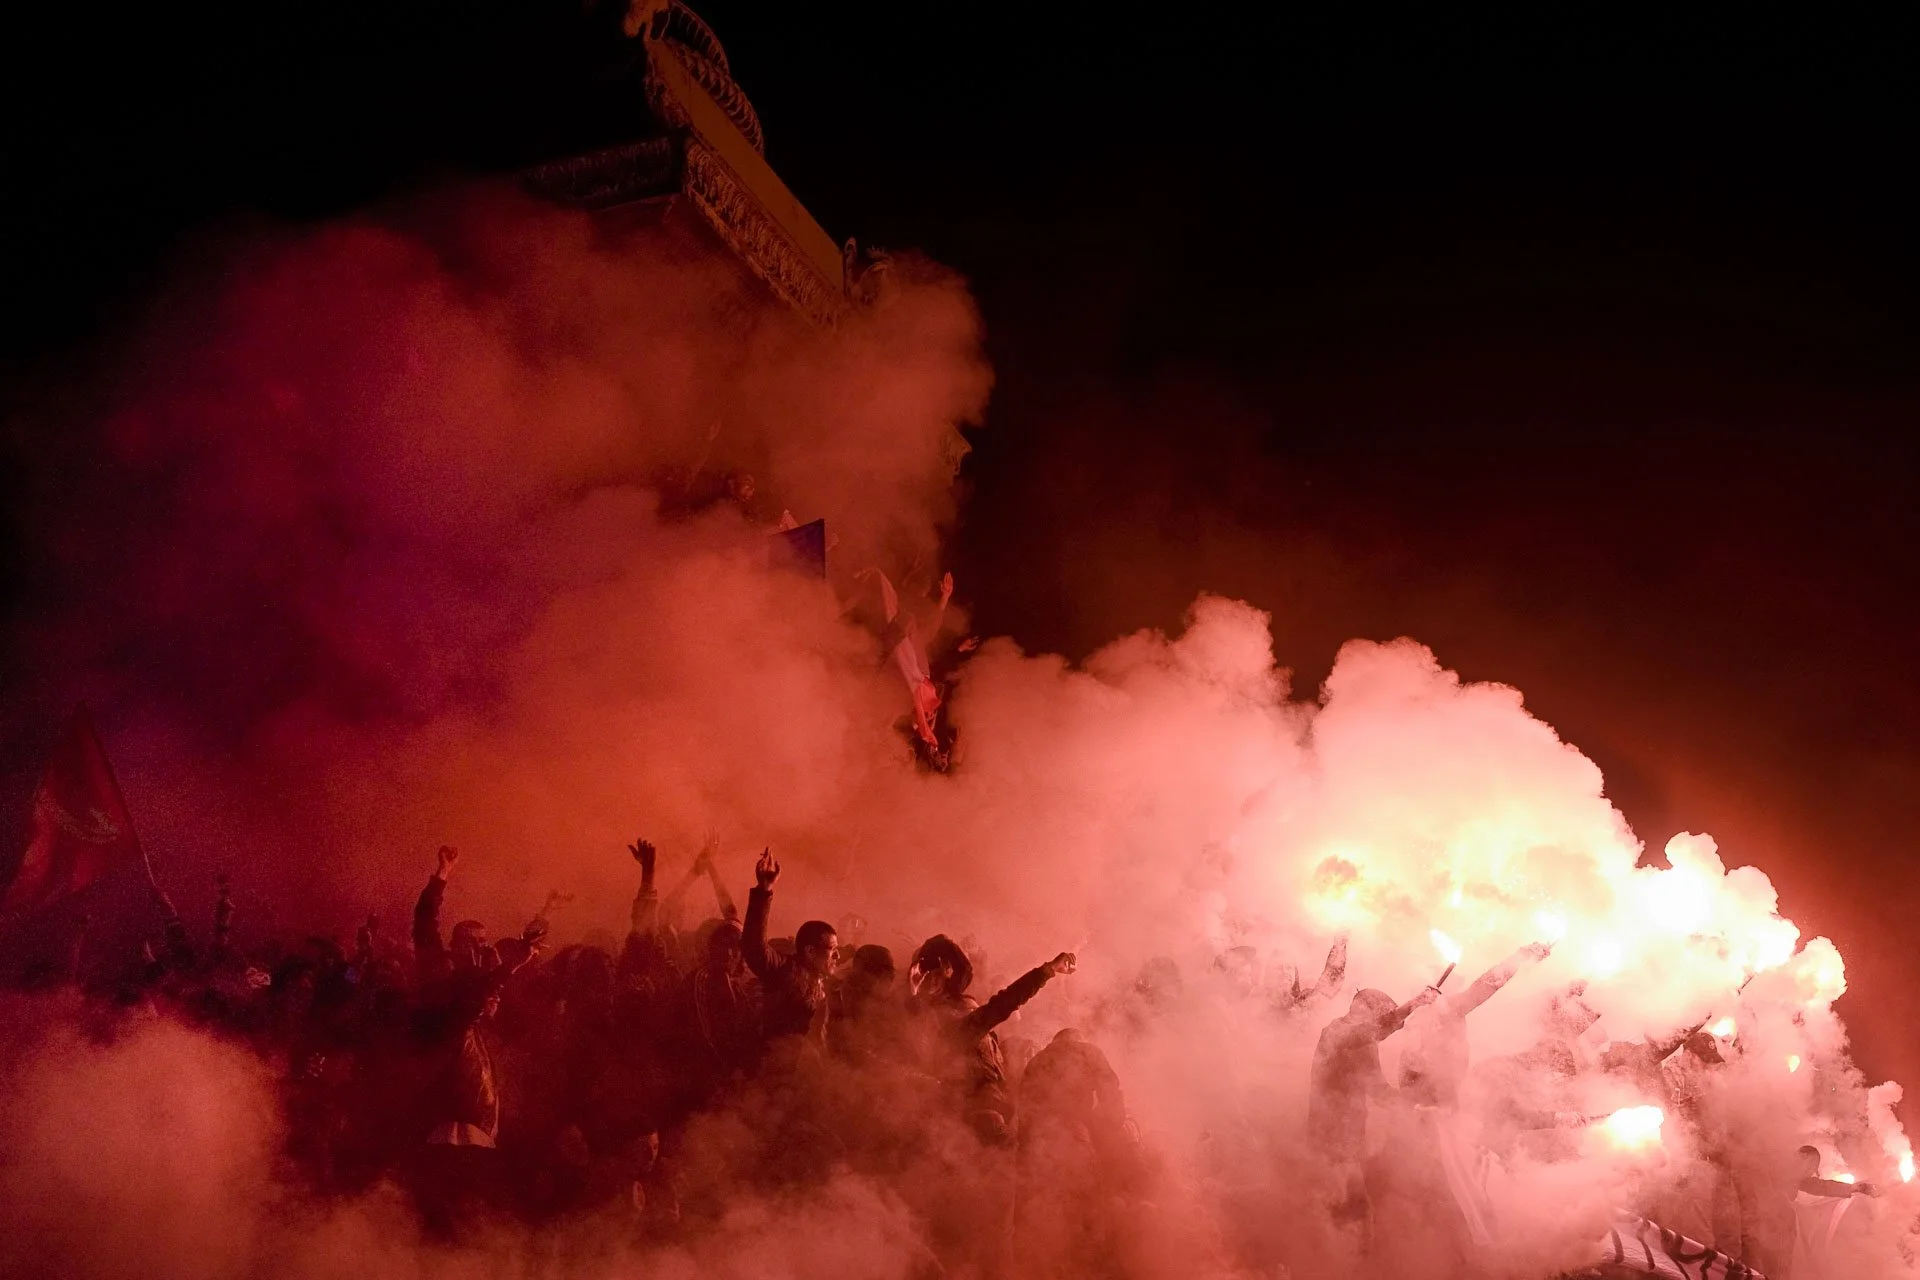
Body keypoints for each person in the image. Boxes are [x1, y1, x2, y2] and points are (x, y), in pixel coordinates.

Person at [906, 933, 1077, 1145]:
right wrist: (1047, 971)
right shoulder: (949, 1025)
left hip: (989, 1112)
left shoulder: (952, 1019)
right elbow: (1001, 1004)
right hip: (980, 1119)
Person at [1305, 985, 1439, 1254]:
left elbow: (1378, 1089)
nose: (1380, 1020)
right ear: (1361, 1006)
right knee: (1345, 1209)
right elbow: (1372, 1030)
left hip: (1352, 1139)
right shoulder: (1336, 1032)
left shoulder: (1364, 1042)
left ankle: (1349, 1263)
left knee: (1351, 1211)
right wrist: (1415, 1003)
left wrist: (1412, 1106)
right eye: (1380, 1013)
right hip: (1329, 1139)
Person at [739, 849, 836, 1056]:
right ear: (810, 951)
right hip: (774, 1073)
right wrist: (764, 891)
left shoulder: (824, 980)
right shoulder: (785, 970)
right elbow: (754, 947)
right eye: (833, 950)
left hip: (808, 1078)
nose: (837, 957)